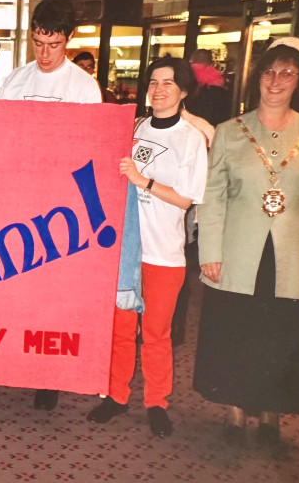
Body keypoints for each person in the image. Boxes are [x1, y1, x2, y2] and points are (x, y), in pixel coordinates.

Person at [0, 0, 100, 412]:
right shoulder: (14, 81)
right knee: (2, 290)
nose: (44, 53)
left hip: (57, 209)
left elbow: (90, 153)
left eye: (53, 44)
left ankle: (46, 378)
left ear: (68, 39)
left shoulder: (84, 87)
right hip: (13, 198)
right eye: (37, 43)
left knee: (49, 296)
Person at [193, 37, 299, 447]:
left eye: (287, 73)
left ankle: (272, 416)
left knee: (279, 337)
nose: (276, 81)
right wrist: (210, 253)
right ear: (258, 77)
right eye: (269, 71)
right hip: (239, 255)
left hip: (291, 258)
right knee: (236, 332)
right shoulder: (230, 132)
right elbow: (212, 198)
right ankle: (236, 414)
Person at [86, 56, 207, 438]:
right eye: (153, 82)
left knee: (156, 333)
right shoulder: (135, 127)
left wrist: (143, 181)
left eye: (167, 83)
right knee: (121, 329)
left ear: (183, 90)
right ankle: (116, 396)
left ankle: (157, 403)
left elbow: (187, 199)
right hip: (125, 251)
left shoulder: (190, 139)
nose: (157, 90)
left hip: (164, 253)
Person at [186, 48, 231, 127]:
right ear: (211, 62)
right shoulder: (218, 84)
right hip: (209, 127)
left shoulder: (185, 77)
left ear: (192, 59)